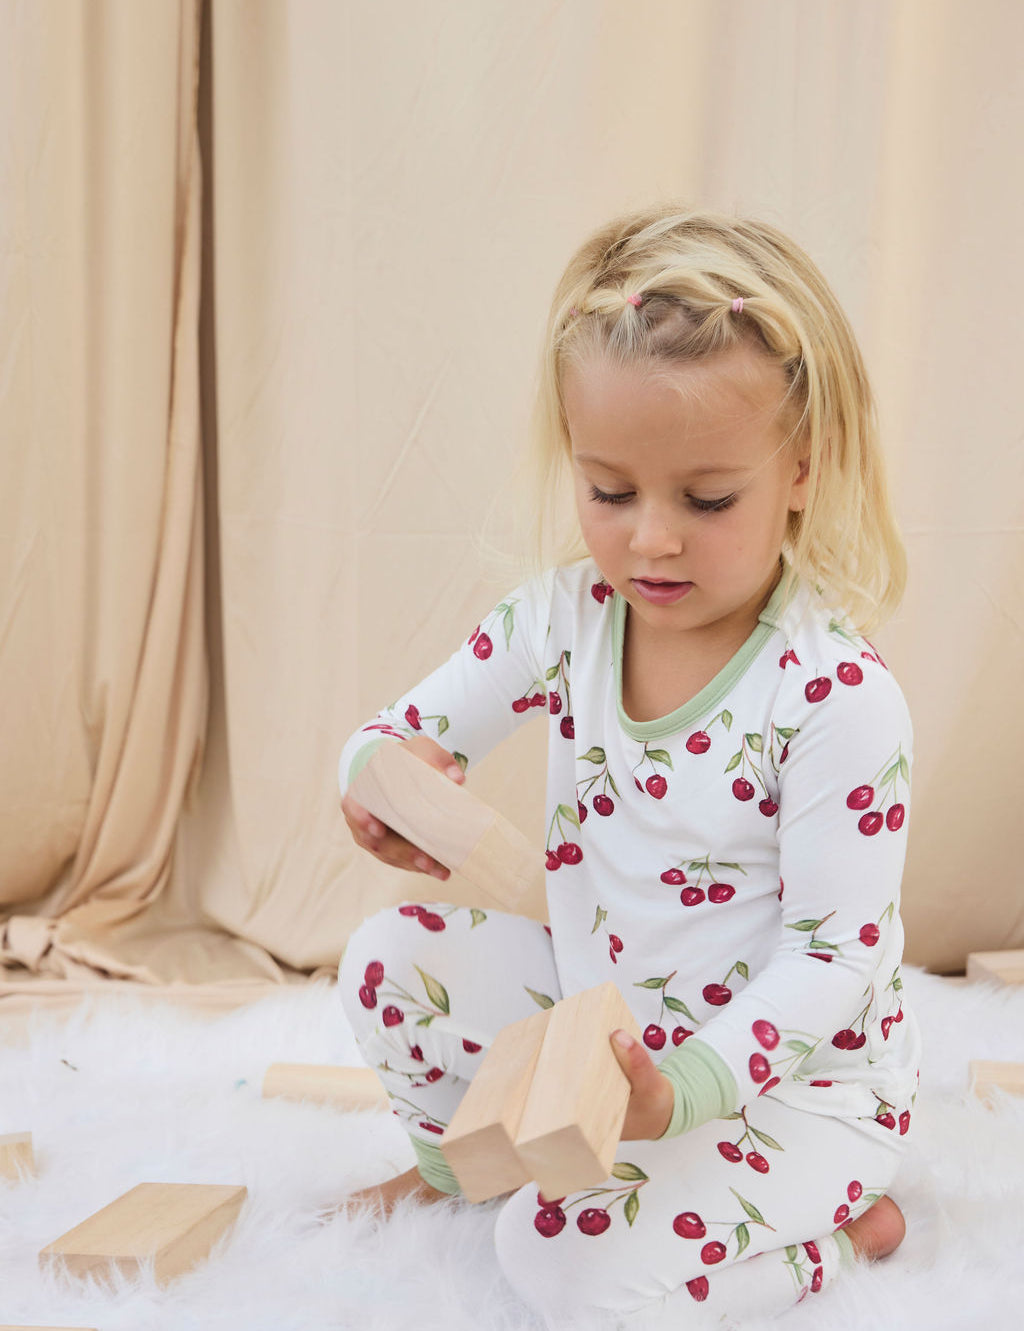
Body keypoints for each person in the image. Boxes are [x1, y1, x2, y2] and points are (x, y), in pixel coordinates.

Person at [336, 203, 920, 1324]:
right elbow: (398, 732)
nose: (650, 537)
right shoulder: (563, 618)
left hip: (792, 1091)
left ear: (800, 469)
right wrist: (383, 780)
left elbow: (833, 956)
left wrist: (682, 1094)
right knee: (384, 959)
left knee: (554, 1258)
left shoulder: (836, 697)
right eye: (610, 491)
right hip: (607, 1009)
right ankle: (462, 1171)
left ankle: (832, 1239)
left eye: (705, 500)